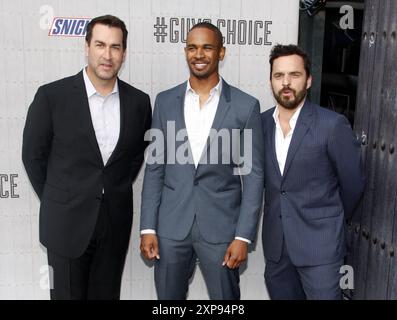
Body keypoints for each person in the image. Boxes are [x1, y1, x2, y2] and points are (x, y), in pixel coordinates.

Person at [22, 15, 152, 300]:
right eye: (100, 45)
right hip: (65, 224)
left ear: (124, 53)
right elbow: (33, 156)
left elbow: (133, 159)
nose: (107, 55)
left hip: (114, 226)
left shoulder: (139, 103)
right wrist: (61, 199)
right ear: (87, 47)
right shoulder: (52, 96)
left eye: (115, 47)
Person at [139, 22, 264, 300]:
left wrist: (243, 236)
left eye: (207, 47)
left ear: (221, 52)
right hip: (171, 228)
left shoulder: (246, 106)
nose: (199, 54)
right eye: (192, 47)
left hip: (222, 230)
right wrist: (148, 227)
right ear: (185, 52)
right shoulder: (165, 101)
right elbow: (155, 168)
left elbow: (254, 178)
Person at [261, 44, 365, 300]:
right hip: (276, 250)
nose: (286, 82)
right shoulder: (260, 124)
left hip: (321, 249)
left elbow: (353, 185)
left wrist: (327, 221)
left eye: (294, 75)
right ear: (271, 81)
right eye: (278, 75)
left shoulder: (332, 125)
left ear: (308, 80)